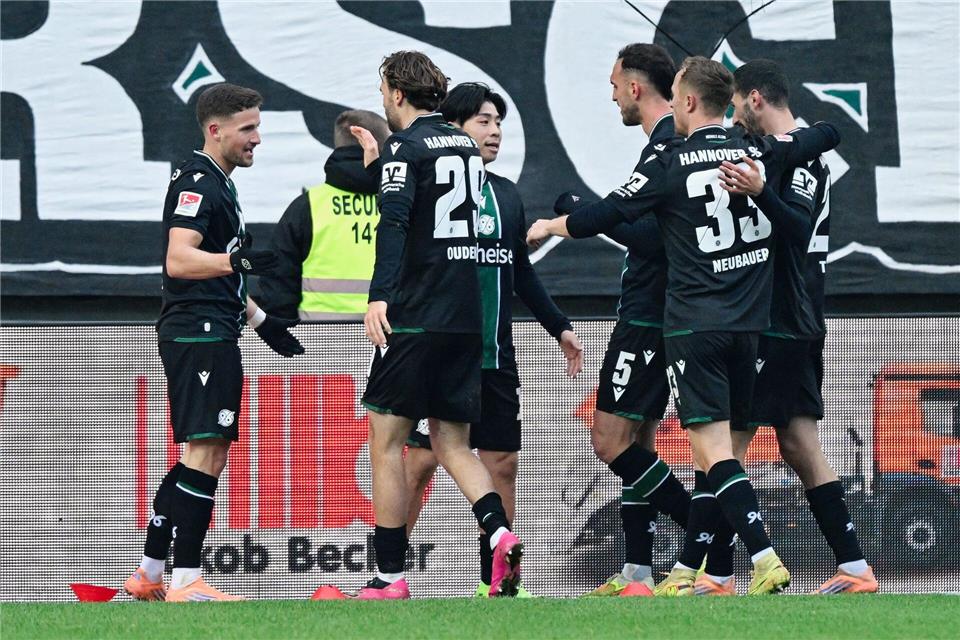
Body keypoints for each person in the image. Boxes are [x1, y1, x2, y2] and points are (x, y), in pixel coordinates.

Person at [528, 56, 842, 596]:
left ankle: (755, 558)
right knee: (717, 448)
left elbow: (609, 217)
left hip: (692, 324)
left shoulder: (670, 161)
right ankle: (671, 570)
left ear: (690, 102)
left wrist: (555, 222)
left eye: (676, 95)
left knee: (711, 450)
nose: (671, 104)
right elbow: (824, 135)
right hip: (750, 329)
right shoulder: (755, 150)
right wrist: (801, 141)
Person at [401, 82, 584, 597]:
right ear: (453, 127)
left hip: (494, 354)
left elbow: (520, 272)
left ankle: (497, 584)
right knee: (417, 464)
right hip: (439, 353)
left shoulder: (505, 194)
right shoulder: (429, 187)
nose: (495, 131)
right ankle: (389, 575)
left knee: (502, 463)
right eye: (483, 120)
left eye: (499, 122)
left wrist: (561, 329)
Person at [124, 83, 304, 602]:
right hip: (198, 330)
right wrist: (236, 262)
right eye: (248, 129)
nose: (257, 139)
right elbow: (179, 260)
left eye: (258, 127)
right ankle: (186, 580)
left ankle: (150, 575)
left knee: (199, 454)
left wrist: (261, 319)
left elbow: (220, 272)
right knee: (207, 449)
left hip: (212, 325)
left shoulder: (217, 180)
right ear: (215, 129)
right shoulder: (201, 180)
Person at [358, 51, 522, 599]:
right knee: (454, 444)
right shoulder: (465, 148)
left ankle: (390, 577)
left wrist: (380, 295)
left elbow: (397, 220)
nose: (383, 98)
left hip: (418, 314)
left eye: (384, 89)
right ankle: (499, 530)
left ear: (396, 93)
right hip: (465, 319)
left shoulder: (407, 145)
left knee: (387, 441)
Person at [710, 59, 877, 595]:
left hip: (783, 316)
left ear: (756, 98)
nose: (735, 117)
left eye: (738, 105)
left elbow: (799, 228)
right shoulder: (784, 149)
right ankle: (854, 567)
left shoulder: (803, 154)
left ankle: (715, 574)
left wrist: (759, 192)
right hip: (793, 316)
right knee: (799, 439)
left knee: (724, 440)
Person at [555, 44, 692, 598]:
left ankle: (711, 534)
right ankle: (638, 570)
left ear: (636, 88)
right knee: (641, 440)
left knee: (609, 440)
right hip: (661, 311)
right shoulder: (670, 145)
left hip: (648, 315)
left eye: (615, 84)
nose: (611, 94)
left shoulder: (666, 147)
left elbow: (653, 242)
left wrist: (576, 215)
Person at [257, 110, 390, 321]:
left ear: (339, 144)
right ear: (380, 145)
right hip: (391, 339)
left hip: (321, 340)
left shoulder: (308, 206)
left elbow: (278, 284)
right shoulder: (401, 204)